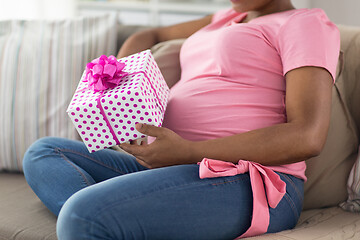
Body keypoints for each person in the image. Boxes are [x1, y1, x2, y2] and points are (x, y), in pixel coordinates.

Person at [22, 0, 340, 239]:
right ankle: (120, 217)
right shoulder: (225, 18)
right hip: (170, 165)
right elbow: (152, 33)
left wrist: (188, 151)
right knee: (44, 152)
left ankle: (105, 218)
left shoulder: (304, 23)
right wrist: (119, 79)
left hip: (252, 182)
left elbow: (306, 136)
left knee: (81, 215)